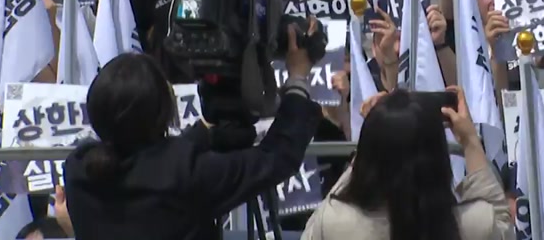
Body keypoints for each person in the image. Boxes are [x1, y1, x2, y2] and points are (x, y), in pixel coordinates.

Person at [63, 45, 321, 240]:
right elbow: (276, 158)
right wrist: (297, 80)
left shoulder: (78, 168)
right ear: (162, 111)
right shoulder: (187, 175)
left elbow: (149, 164)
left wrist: (205, 133)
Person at [301, 88, 514, 240]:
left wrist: (375, 135)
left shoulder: (334, 223)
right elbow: (502, 225)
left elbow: (313, 228)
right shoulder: (475, 225)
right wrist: (470, 141)